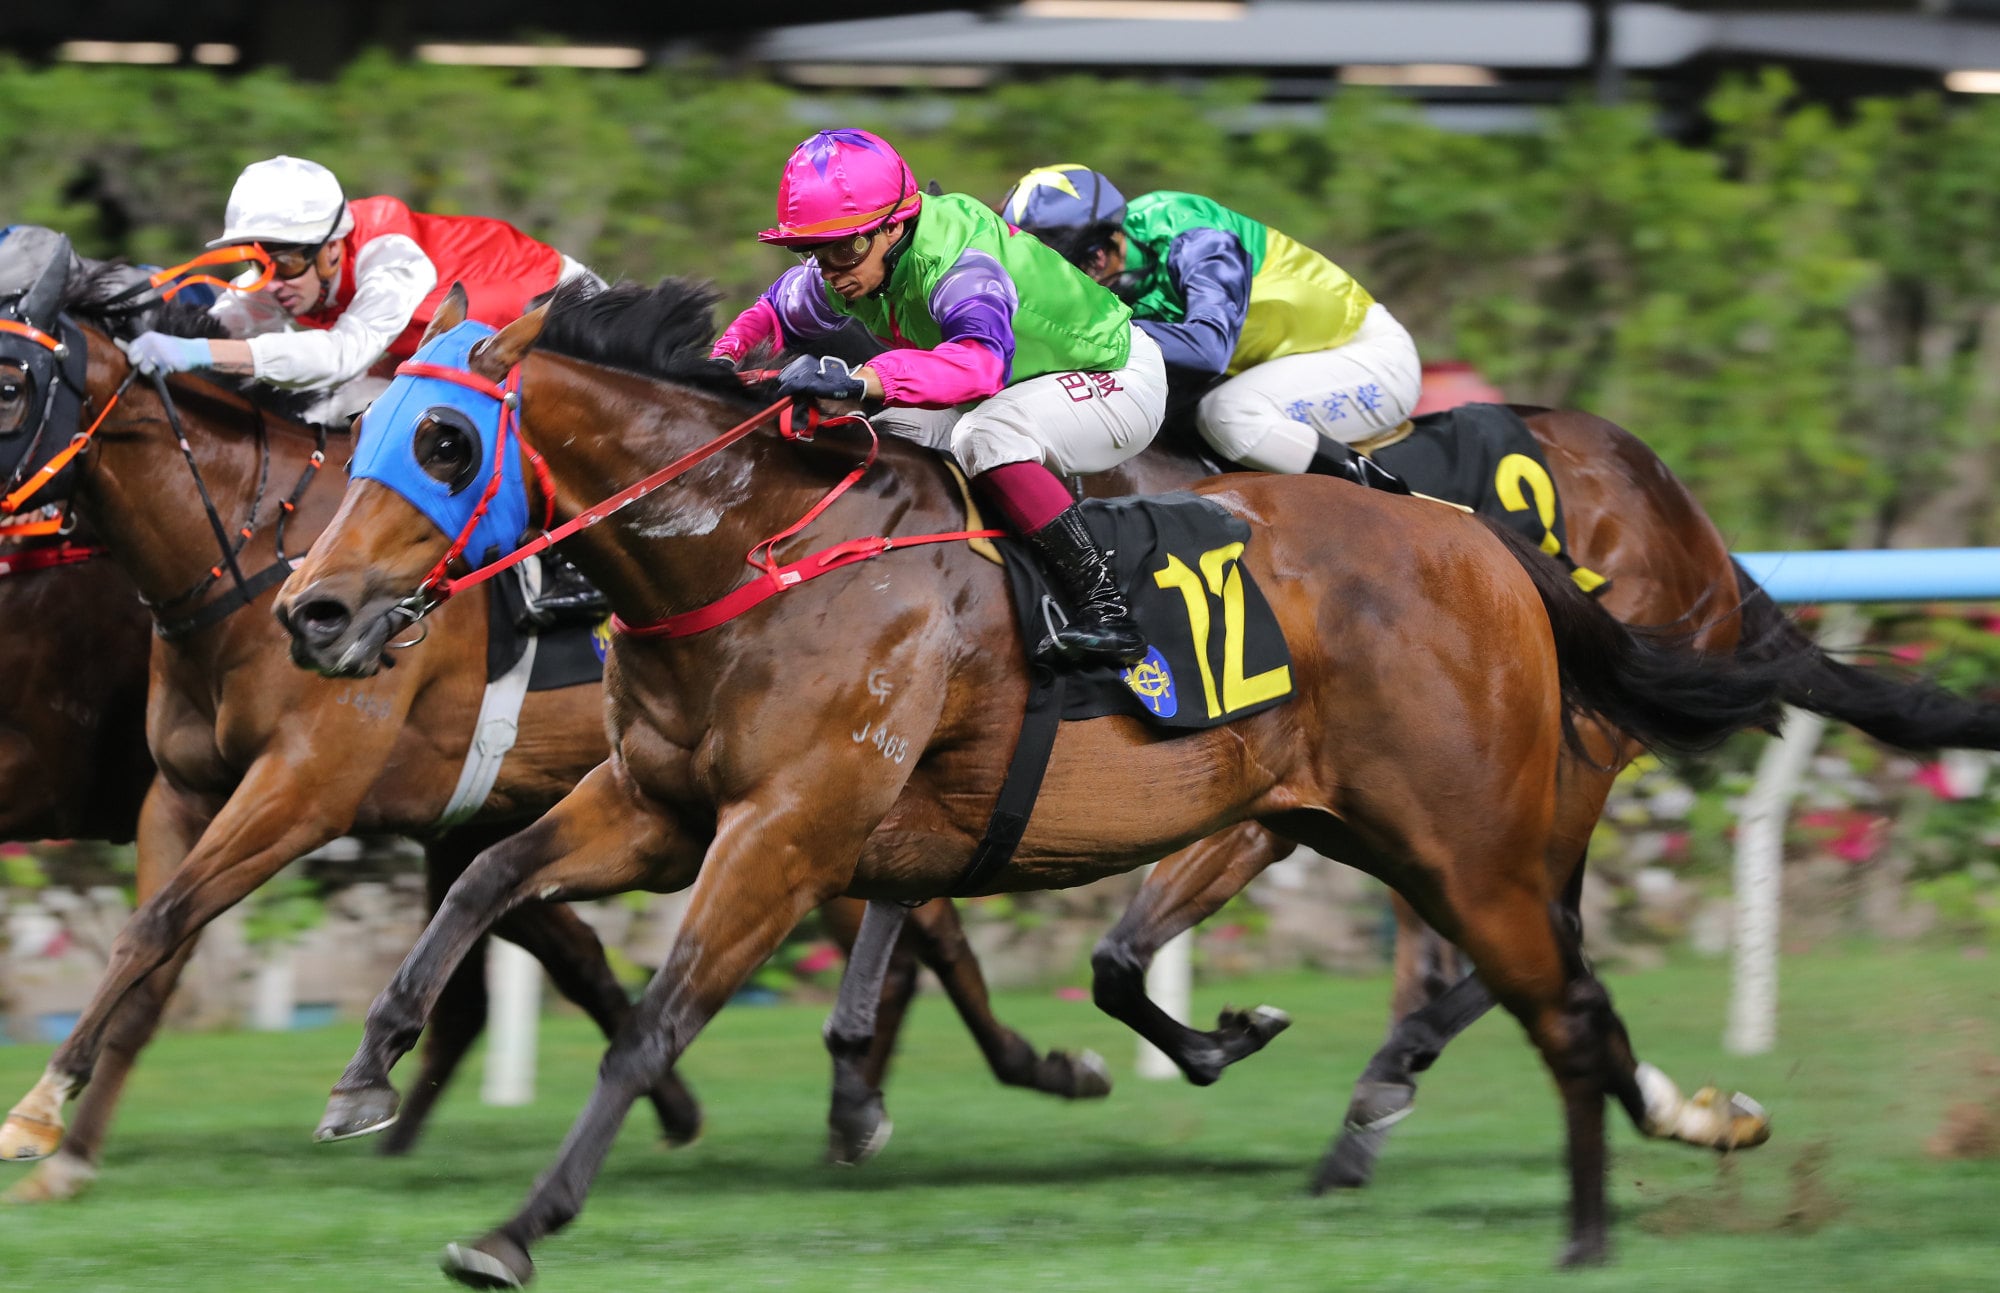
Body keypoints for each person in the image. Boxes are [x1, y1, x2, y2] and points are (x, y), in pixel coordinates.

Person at [712, 129, 1167, 667]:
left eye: (846, 247)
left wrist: (861, 379)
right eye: (813, 250)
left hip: (1113, 374)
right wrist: (718, 364)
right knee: (878, 434)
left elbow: (979, 366)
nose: (832, 269)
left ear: (895, 227)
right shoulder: (848, 264)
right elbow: (771, 318)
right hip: (1021, 381)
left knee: (986, 435)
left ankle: (1107, 611)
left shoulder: (960, 264)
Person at [1002, 165, 1416, 491]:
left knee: (1230, 416)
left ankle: (1386, 501)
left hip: (1367, 357)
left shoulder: (1190, 230)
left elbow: (1207, 348)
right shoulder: (1107, 273)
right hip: (1268, 369)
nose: (1080, 283)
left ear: (1109, 237)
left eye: (1082, 264)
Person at [125, 155, 603, 423]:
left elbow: (340, 356)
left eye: (286, 260)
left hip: (564, 320)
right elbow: (219, 328)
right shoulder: (292, 272)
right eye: (257, 259)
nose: (270, 279)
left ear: (332, 248)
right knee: (326, 418)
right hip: (451, 348)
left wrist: (198, 353)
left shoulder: (391, 256)